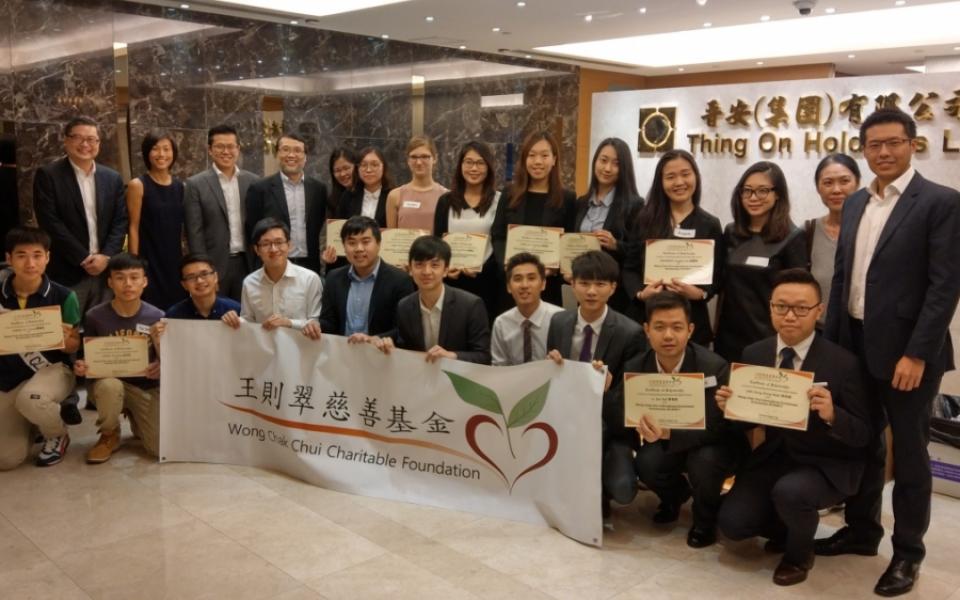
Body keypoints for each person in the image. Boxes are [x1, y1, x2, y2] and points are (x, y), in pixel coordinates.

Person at [818, 108, 960, 597]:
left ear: (912, 144)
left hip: (908, 356)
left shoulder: (941, 202)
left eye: (893, 143)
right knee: (860, 442)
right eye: (874, 145)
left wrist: (918, 353)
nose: (883, 152)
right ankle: (862, 532)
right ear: (864, 149)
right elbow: (842, 279)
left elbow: (945, 287)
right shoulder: (855, 203)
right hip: (854, 343)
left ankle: (907, 553)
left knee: (911, 454)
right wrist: (833, 348)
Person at [716, 268, 870, 587]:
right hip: (776, 456)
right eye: (781, 306)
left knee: (791, 492)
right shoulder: (754, 353)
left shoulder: (843, 363)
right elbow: (748, 420)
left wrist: (832, 415)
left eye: (801, 308)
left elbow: (864, 434)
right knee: (733, 525)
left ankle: (799, 555)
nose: (790, 316)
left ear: (819, 311)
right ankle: (785, 526)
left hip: (827, 462)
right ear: (770, 307)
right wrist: (730, 409)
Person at [607, 291, 747, 548]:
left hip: (710, 444)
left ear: (690, 330)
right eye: (659, 327)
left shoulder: (714, 367)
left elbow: (719, 428)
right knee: (647, 463)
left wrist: (669, 434)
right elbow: (618, 417)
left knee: (703, 463)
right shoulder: (635, 368)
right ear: (647, 330)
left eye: (677, 327)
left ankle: (705, 522)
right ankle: (675, 497)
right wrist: (633, 419)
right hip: (664, 441)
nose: (668, 336)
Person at [546, 250, 644, 518]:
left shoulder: (630, 332)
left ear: (613, 288)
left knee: (623, 490)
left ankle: (598, 490)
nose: (591, 291)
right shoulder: (559, 322)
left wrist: (610, 388)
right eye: (584, 283)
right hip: (566, 419)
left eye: (600, 284)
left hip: (609, 427)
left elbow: (631, 401)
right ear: (572, 284)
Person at [623, 150, 723, 345]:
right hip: (648, 316)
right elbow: (630, 267)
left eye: (685, 174)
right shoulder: (644, 220)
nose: (679, 182)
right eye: (670, 177)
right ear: (661, 182)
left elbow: (718, 274)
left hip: (692, 318)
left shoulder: (709, 224)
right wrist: (641, 294)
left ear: (696, 176)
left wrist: (701, 294)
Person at [0, 227, 80, 468]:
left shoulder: (65, 295)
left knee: (32, 398)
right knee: (6, 459)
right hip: (8, 377)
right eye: (21, 255)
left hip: (52, 371)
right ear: (9, 259)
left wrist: (66, 338)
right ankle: (34, 422)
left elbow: (73, 347)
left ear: (47, 257)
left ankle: (57, 434)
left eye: (37, 255)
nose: (30, 262)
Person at [75, 253, 165, 463]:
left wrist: (160, 364)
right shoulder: (94, 316)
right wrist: (81, 366)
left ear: (145, 281)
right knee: (110, 386)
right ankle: (109, 433)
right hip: (107, 384)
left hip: (144, 387)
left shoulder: (157, 316)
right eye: (120, 278)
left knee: (158, 447)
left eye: (134, 277)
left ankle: (136, 418)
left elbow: (166, 359)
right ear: (110, 282)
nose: (128, 284)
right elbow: (84, 356)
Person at [714, 161, 807, 363]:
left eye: (762, 191)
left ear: (778, 194)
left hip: (769, 338)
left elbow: (799, 297)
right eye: (747, 191)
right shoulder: (731, 232)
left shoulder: (793, 238)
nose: (753, 198)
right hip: (729, 336)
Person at [33, 116, 127, 314]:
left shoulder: (112, 178)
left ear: (99, 143)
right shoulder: (49, 175)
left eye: (92, 139)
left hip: (105, 273)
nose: (86, 144)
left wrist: (106, 257)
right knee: (68, 333)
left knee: (101, 333)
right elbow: (50, 222)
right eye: (78, 138)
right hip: (67, 271)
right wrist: (83, 257)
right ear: (66, 141)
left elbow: (120, 222)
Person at [369, 236, 490, 364]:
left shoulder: (470, 305)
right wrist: (388, 347)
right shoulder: (404, 306)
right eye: (419, 264)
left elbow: (484, 356)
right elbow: (405, 348)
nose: (426, 272)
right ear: (410, 269)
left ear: (446, 270)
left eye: (434, 265)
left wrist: (451, 356)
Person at [491, 131, 576, 306]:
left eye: (544, 155)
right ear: (524, 160)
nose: (538, 161)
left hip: (548, 286)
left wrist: (555, 268)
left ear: (554, 160)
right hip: (513, 285)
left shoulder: (567, 198)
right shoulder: (509, 193)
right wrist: (507, 265)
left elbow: (570, 242)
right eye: (532, 155)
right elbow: (498, 235)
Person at [183, 124, 258, 301]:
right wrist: (203, 271)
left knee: (246, 317)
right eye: (220, 146)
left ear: (238, 149)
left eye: (231, 146)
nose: (226, 151)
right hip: (213, 265)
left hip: (247, 263)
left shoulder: (253, 181)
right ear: (210, 150)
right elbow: (194, 233)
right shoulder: (196, 184)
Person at [433, 141, 506, 322]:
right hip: (452, 280)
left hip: (488, 282)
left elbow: (501, 241)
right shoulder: (445, 201)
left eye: (480, 163)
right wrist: (446, 269)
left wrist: (484, 268)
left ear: (489, 167)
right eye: (468, 162)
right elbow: (437, 241)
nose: (474, 168)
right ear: (460, 166)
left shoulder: (501, 200)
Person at [573, 137, 644, 313]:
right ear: (595, 161)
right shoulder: (580, 203)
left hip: (616, 294)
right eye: (603, 160)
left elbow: (640, 252)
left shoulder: (634, 205)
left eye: (616, 164)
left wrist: (616, 245)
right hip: (584, 290)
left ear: (624, 169)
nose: (607, 168)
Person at [222, 217, 322, 340]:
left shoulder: (310, 279)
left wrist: (288, 323)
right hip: (264, 352)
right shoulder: (249, 282)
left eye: (279, 242)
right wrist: (234, 320)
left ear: (289, 245)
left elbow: (316, 322)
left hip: (301, 350)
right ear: (256, 250)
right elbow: (249, 321)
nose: (273, 249)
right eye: (266, 244)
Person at [318, 216, 414, 339]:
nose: (359, 249)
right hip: (342, 353)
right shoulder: (334, 278)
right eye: (352, 243)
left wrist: (375, 340)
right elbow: (328, 323)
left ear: (378, 243)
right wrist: (315, 326)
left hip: (380, 354)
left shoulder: (400, 280)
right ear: (344, 246)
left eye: (366, 241)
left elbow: (403, 330)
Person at [245, 133, 328, 273]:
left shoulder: (318, 189)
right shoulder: (259, 189)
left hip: (309, 264)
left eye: (297, 150)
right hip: (273, 263)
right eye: (285, 149)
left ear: (305, 157)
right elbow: (253, 231)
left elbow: (319, 225)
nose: (291, 155)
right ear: (277, 154)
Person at [126, 130, 185, 310]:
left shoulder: (180, 186)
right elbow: (133, 227)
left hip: (174, 260)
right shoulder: (138, 185)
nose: (161, 154)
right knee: (150, 309)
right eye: (155, 149)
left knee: (175, 310)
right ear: (147, 153)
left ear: (173, 153)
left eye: (166, 149)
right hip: (149, 259)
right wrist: (134, 265)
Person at [804, 154, 861, 327]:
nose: (836, 190)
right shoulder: (808, 231)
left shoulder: (872, 230)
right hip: (818, 332)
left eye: (844, 181)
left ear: (857, 184)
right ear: (818, 188)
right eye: (828, 183)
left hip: (861, 331)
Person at [490, 252, 564, 366]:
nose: (524, 285)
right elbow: (499, 368)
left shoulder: (561, 318)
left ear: (543, 284)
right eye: (518, 279)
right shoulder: (501, 323)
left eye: (531, 278)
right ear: (509, 287)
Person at [386, 136, 448, 231]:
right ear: (408, 160)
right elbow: (391, 239)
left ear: (435, 158)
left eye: (424, 157)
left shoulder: (446, 196)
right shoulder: (395, 196)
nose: (419, 162)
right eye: (414, 157)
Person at [164, 253, 241, 320]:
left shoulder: (236, 310)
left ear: (215, 277)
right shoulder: (174, 315)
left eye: (204, 274)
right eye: (191, 277)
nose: (199, 281)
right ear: (184, 285)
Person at [337, 147, 392, 227]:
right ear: (357, 169)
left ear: (384, 167)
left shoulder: (393, 196)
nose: (368, 170)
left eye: (374, 165)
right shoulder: (348, 196)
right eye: (363, 165)